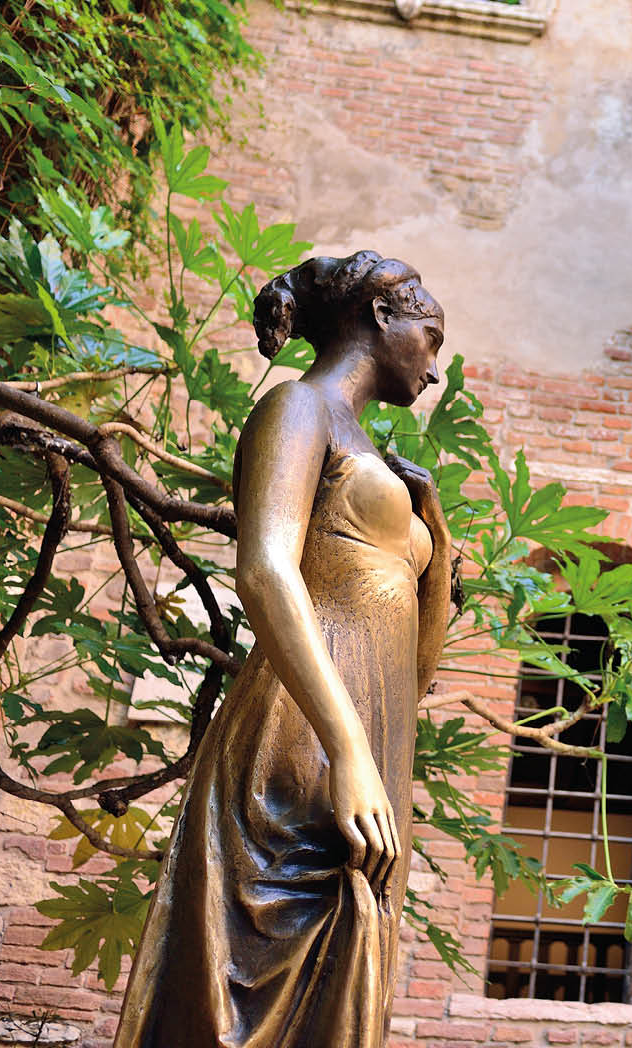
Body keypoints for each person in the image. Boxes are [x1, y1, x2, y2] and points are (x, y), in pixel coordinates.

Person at [114, 252, 453, 1048]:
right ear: (381, 316)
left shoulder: (385, 464)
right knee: (247, 984)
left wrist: (434, 527)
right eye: (431, 338)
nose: (435, 369)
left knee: (345, 987)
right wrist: (347, 750)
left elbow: (418, 673)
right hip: (303, 733)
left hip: (373, 739)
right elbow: (265, 571)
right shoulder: (298, 409)